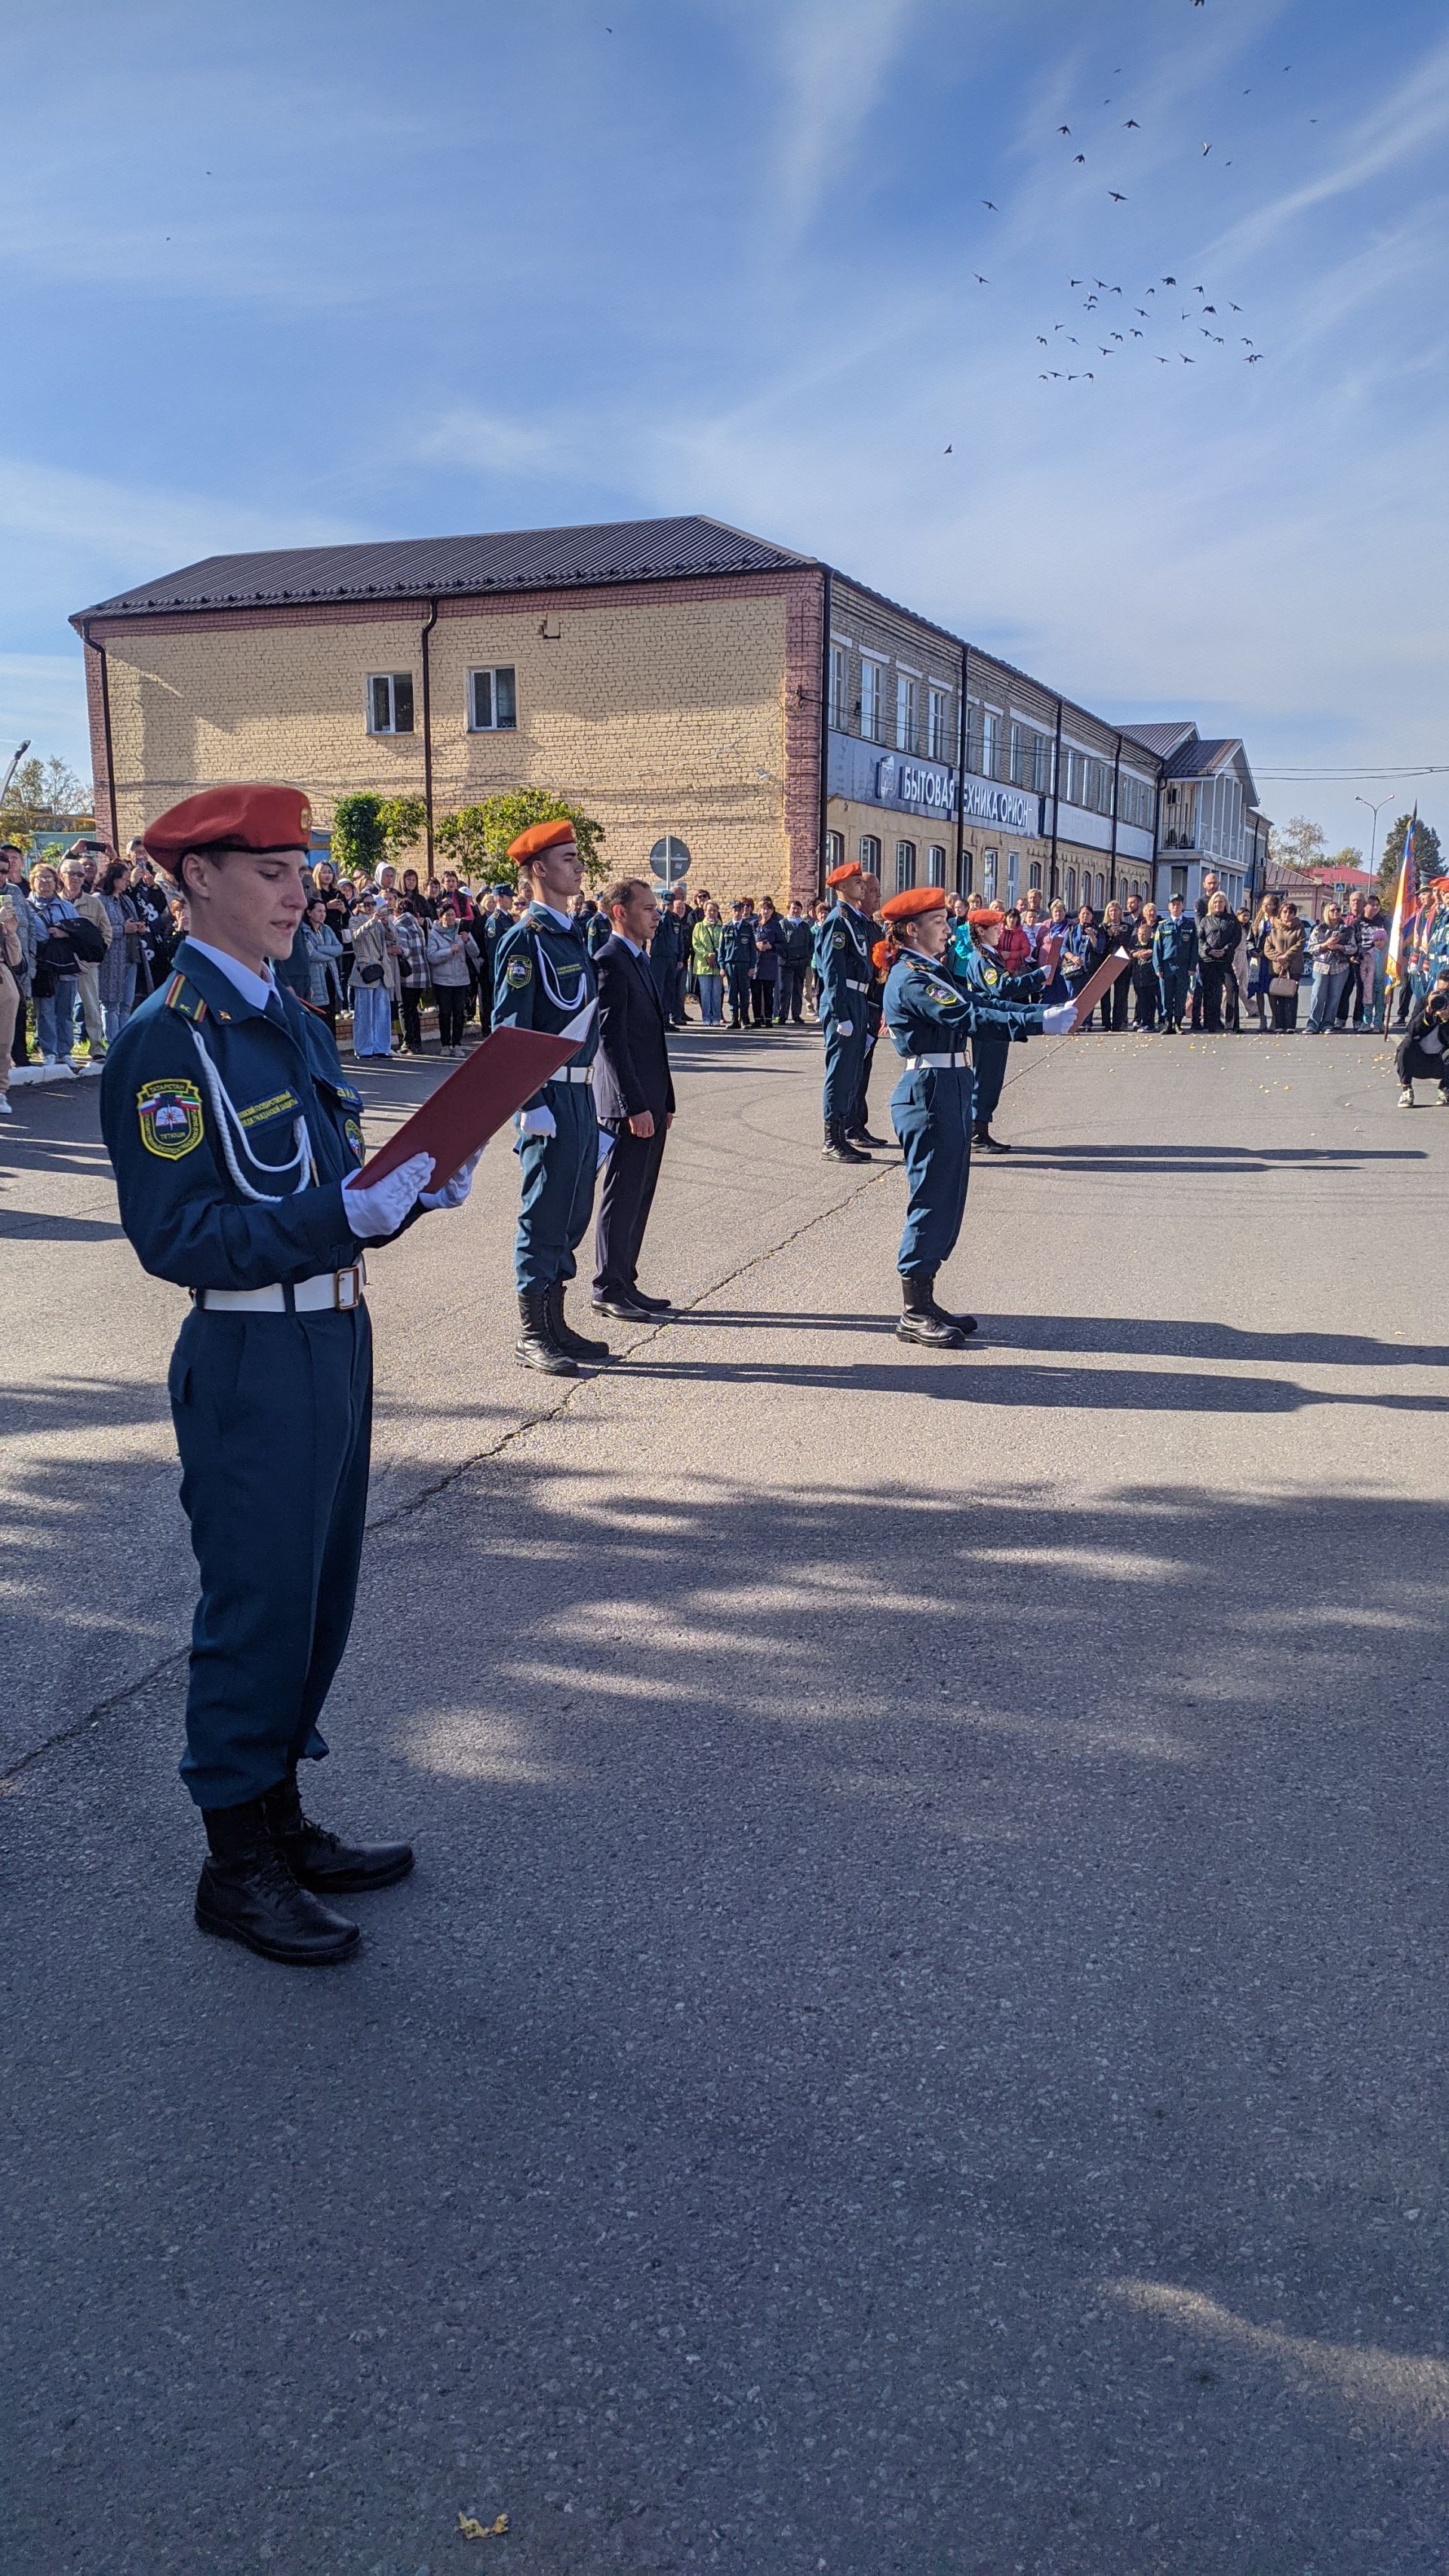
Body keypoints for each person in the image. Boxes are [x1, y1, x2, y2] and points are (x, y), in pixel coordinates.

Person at [98, 783, 477, 1968]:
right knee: (256, 1603)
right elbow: (181, 1238)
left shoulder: (294, 1017)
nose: (297, 890)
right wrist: (343, 1208)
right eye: (270, 869)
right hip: (251, 1349)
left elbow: (326, 1198)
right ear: (198, 877)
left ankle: (280, 1814)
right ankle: (234, 1862)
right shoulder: (169, 1038)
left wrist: (402, 1194)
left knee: (319, 1594)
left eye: (300, 868)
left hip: (333, 1336)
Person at [878, 885, 1075, 1346]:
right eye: (937, 922)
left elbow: (984, 1003)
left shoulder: (933, 970)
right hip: (929, 1093)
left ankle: (924, 1299)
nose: (948, 928)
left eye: (946, 920)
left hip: (948, 1088)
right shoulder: (912, 978)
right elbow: (968, 1018)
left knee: (948, 1196)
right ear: (911, 930)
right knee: (931, 1197)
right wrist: (1039, 1023)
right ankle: (912, 1309)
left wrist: (1043, 1011)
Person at [491, 817, 608, 1376]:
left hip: (581, 1097)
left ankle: (557, 1322)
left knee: (572, 1211)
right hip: (550, 1099)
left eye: (577, 857)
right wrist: (528, 1102)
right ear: (537, 869)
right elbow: (510, 1032)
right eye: (567, 858)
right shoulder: (526, 940)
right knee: (543, 1213)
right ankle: (532, 1331)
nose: (578, 866)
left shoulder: (572, 933)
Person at [591, 877, 676, 1319]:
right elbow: (612, 1042)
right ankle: (607, 1287)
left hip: (650, 1100)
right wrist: (633, 1106)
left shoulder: (639, 959)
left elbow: (652, 1042)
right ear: (619, 912)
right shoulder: (609, 961)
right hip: (629, 1106)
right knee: (622, 1193)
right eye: (647, 908)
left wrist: (665, 1101)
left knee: (640, 1193)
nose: (656, 915)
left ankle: (626, 1280)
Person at [949, 903, 1044, 1153]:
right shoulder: (982, 958)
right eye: (995, 927)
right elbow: (1000, 989)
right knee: (986, 1077)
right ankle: (976, 1133)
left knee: (992, 1077)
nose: (1001, 931)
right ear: (981, 931)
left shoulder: (989, 955)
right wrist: (1036, 978)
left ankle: (981, 1130)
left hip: (996, 1022)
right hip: (989, 1024)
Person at [817, 858, 876, 1162]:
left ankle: (845, 1131)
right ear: (841, 887)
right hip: (844, 1000)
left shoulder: (855, 919)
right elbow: (833, 972)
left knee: (852, 1071)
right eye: (856, 882)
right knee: (840, 1072)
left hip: (859, 999)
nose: (862, 886)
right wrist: (840, 1015)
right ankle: (832, 1139)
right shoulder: (838, 921)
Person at [29, 862, 83, 1062]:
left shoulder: (66, 907)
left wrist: (63, 933)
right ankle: (49, 1051)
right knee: (45, 1011)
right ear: (33, 882)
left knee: (65, 1010)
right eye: (40, 878)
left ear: (56, 881)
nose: (44, 882)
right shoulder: (27, 907)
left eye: (49, 878)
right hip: (42, 966)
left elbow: (80, 933)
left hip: (65, 965)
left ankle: (65, 1051)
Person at [60, 854, 112, 1058]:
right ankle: (61, 1050)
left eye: (81, 875)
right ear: (61, 876)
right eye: (72, 873)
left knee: (92, 1006)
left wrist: (95, 958)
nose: (76, 878)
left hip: (86, 964)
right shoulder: (54, 902)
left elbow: (106, 932)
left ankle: (97, 1047)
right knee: (61, 1007)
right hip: (61, 963)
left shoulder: (94, 903)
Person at [94, 856, 146, 1045]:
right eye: (124, 879)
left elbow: (130, 921)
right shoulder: (99, 900)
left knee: (126, 1003)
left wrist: (139, 927)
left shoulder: (125, 900)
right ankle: (113, 1042)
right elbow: (99, 931)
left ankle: (125, 1043)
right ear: (113, 879)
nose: (126, 882)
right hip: (110, 958)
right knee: (111, 1003)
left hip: (129, 956)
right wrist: (123, 929)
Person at [348, 891, 396, 1060]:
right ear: (359, 906)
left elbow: (393, 938)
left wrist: (387, 924)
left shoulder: (380, 922)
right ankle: (364, 1049)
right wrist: (372, 921)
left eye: (372, 904)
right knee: (364, 1012)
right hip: (366, 969)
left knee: (382, 1011)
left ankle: (382, 1047)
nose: (370, 907)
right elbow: (355, 936)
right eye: (366, 904)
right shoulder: (355, 919)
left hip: (382, 969)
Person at [426, 903, 478, 1054]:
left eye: (452, 915)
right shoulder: (435, 934)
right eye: (447, 915)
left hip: (461, 978)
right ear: (441, 917)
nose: (450, 918)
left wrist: (468, 940)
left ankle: (457, 1044)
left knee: (459, 1013)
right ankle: (445, 1044)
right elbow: (431, 956)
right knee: (445, 1013)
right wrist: (449, 951)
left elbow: (475, 953)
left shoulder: (461, 930)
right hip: (443, 980)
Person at [1396, 971, 1449, 1106]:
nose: (1442, 996)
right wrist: (1427, 1012)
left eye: (1447, 992)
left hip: (1442, 1061)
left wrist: (1446, 1019)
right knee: (1405, 1045)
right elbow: (1411, 1031)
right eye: (1440, 991)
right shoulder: (1424, 1001)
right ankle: (1406, 1089)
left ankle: (1445, 1087)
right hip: (1419, 1061)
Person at [1197, 893, 1242, 1033]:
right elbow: (1200, 939)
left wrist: (1225, 950)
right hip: (1209, 961)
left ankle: (1231, 1024)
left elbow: (1236, 938)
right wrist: (1208, 950)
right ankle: (1212, 1024)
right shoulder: (1205, 920)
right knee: (1211, 992)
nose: (1218, 904)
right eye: (1215, 902)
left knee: (1232, 989)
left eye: (1221, 902)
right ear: (1211, 904)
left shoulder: (1232, 920)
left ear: (1225, 904)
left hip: (1225, 960)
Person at [1306, 904, 1354, 1033]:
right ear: (1327, 912)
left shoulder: (1347, 929)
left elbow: (1353, 948)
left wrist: (1340, 947)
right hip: (1321, 966)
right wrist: (1325, 945)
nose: (1336, 912)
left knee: (1335, 996)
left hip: (1340, 966)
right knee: (1317, 995)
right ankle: (1313, 1024)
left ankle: (1328, 1024)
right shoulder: (1318, 929)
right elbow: (1311, 948)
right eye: (1333, 910)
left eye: (1338, 910)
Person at [301, 896, 346, 1032]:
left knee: (331, 1016)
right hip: (315, 978)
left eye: (324, 911)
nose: (322, 914)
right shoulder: (304, 931)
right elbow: (310, 954)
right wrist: (329, 955)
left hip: (330, 977)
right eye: (319, 911)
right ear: (309, 912)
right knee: (319, 1017)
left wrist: (320, 949)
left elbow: (339, 949)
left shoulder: (327, 929)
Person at [1153, 894, 1198, 1033]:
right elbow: (1157, 949)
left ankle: (1178, 1023)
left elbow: (1194, 948)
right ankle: (1168, 1023)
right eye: (1173, 904)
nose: (1175, 907)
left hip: (1183, 967)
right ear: (1169, 907)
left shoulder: (1190, 925)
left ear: (1182, 906)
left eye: (1178, 904)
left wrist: (1192, 967)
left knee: (1180, 996)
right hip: (1167, 966)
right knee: (1166, 996)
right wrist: (1158, 967)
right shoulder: (1163, 926)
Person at [1264, 902, 1305, 1032]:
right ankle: (1280, 1025)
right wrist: (1279, 958)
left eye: (1290, 912)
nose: (1287, 915)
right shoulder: (1274, 928)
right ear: (1280, 913)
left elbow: (1300, 945)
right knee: (1278, 996)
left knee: (1291, 995)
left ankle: (1291, 1025)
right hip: (1277, 967)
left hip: (1294, 966)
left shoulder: (1299, 927)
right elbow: (1268, 947)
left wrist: (1287, 957)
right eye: (1285, 912)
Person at [0, 896, 22, 1113]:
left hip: (4, 978)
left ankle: (1, 1091)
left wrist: (10, 931)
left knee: (4, 1043)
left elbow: (14, 959)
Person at [720, 899, 755, 1030]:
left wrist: (752, 966)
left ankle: (744, 1019)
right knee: (733, 992)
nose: (737, 912)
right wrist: (722, 966)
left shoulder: (748, 927)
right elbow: (721, 949)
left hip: (744, 964)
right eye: (735, 910)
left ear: (742, 911)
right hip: (730, 964)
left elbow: (752, 949)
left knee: (744, 992)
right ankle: (734, 1019)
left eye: (739, 910)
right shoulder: (726, 927)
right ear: (731, 911)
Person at [750, 895, 785, 1027]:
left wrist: (771, 946)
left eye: (768, 909)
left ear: (772, 911)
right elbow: (748, 941)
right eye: (763, 909)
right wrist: (756, 945)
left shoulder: (776, 926)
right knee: (756, 993)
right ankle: (758, 1019)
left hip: (769, 964)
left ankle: (768, 1018)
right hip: (755, 964)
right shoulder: (754, 924)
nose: (765, 912)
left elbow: (782, 944)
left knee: (768, 993)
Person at [1098, 901, 1133, 1029]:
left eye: (1116, 910)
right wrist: (1110, 935)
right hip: (1106, 962)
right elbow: (1100, 947)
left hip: (1122, 962)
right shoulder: (1103, 927)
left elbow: (1129, 943)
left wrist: (1119, 936)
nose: (1113, 913)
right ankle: (1106, 1023)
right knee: (1105, 994)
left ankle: (1118, 1023)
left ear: (1120, 912)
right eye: (1111, 911)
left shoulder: (1127, 927)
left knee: (1121, 994)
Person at [691, 900, 724, 1026]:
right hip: (703, 965)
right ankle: (706, 1017)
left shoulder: (722, 928)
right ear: (705, 912)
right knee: (705, 993)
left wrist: (716, 955)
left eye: (714, 911)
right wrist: (707, 955)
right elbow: (696, 944)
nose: (712, 913)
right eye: (709, 910)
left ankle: (716, 1017)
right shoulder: (699, 926)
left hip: (717, 965)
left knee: (716, 993)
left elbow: (724, 944)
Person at [777, 903, 811, 1025]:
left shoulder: (804, 926)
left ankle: (796, 1015)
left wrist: (807, 957)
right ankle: (783, 1015)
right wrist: (786, 956)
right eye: (793, 908)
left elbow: (810, 943)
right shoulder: (783, 924)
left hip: (801, 962)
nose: (796, 911)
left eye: (798, 908)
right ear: (789, 909)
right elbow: (780, 942)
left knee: (798, 989)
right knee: (785, 990)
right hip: (786, 963)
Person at [1130, 903, 1160, 1029]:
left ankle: (1150, 1023)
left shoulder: (1153, 943)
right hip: (1138, 978)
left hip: (1151, 978)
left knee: (1150, 1001)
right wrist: (1136, 954)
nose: (1142, 936)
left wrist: (1151, 952)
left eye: (1144, 934)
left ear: (1150, 934)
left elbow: (1160, 950)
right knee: (1140, 1000)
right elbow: (1128, 952)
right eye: (1140, 934)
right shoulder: (1135, 943)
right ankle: (1140, 1021)